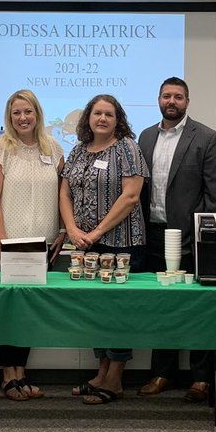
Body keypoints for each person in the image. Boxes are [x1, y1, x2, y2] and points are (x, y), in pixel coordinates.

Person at [136, 77, 216, 403]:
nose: (171, 101)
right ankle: (162, 372)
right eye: (166, 96)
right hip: (153, 236)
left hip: (192, 238)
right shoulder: (145, 137)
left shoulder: (206, 138)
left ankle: (201, 378)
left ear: (187, 101)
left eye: (178, 96)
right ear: (158, 99)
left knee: (199, 308)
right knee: (163, 307)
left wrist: (203, 239)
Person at [61, 94, 148, 405]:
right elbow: (65, 192)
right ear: (88, 118)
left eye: (109, 114)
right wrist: (72, 230)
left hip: (122, 242)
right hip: (85, 244)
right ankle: (101, 372)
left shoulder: (126, 147)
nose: (102, 119)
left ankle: (115, 379)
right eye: (97, 113)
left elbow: (130, 196)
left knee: (118, 311)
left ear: (117, 119)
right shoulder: (78, 151)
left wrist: (96, 232)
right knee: (96, 310)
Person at [0, 89, 65, 402]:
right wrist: (2, 241)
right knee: (7, 310)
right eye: (16, 113)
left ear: (37, 114)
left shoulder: (54, 147)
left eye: (27, 112)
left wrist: (61, 231)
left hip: (42, 243)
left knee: (28, 310)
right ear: (9, 116)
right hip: (8, 243)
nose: (22, 118)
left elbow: (63, 194)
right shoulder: (0, 148)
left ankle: (23, 372)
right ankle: (8, 374)